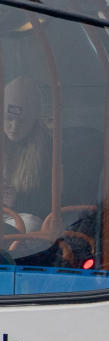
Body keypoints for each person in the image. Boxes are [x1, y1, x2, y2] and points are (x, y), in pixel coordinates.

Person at [2, 77, 52, 230]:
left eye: (21, 121)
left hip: (19, 219)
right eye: (9, 119)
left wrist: (14, 202)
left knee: (30, 224)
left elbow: (46, 204)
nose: (14, 126)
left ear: (34, 120)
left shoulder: (48, 149)